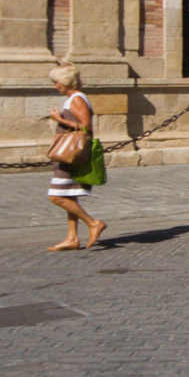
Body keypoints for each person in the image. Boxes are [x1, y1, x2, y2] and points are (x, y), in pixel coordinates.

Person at [43, 64, 105, 251]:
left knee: (56, 197)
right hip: (68, 154)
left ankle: (93, 223)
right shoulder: (73, 98)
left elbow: (86, 126)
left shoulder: (77, 99)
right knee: (69, 195)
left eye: (56, 82)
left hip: (71, 154)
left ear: (65, 82)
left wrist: (59, 119)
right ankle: (72, 238)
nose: (55, 86)